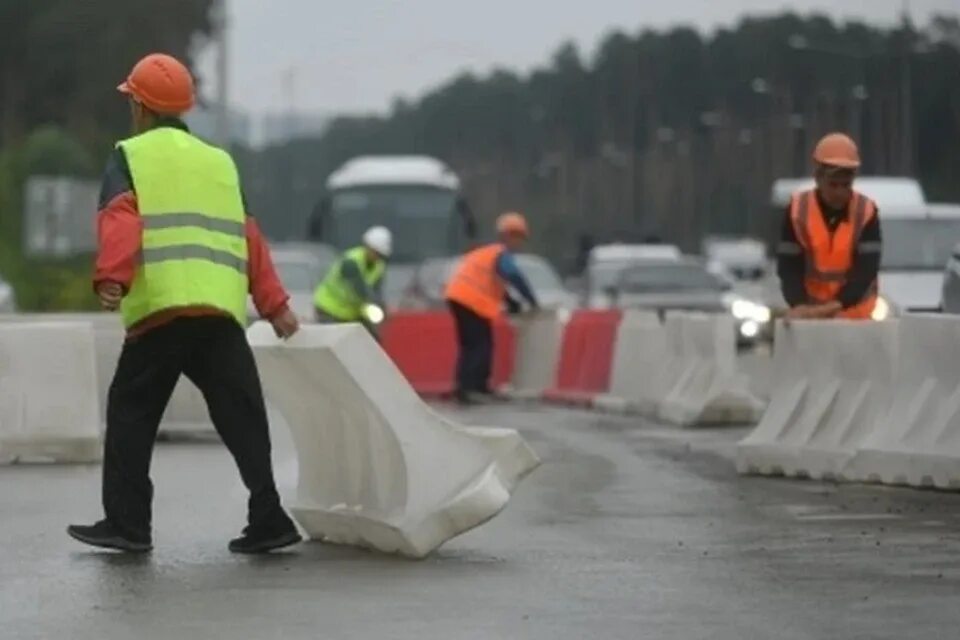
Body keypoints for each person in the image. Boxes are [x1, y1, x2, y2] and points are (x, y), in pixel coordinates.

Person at [67, 53, 302, 554]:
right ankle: (269, 516)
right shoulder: (220, 162)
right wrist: (275, 304)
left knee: (131, 412)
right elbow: (249, 236)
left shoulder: (130, 154)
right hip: (218, 313)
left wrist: (113, 277)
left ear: (140, 107)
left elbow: (120, 217)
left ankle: (128, 525)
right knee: (243, 415)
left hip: (163, 311)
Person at [777, 132, 882, 320]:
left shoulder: (866, 212)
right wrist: (800, 305)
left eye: (846, 185)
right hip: (809, 315)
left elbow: (866, 271)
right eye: (833, 185)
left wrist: (834, 307)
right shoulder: (797, 211)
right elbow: (789, 269)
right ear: (817, 177)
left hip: (856, 317)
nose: (840, 192)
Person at [444, 212, 539, 405]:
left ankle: (465, 387)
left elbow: (496, 284)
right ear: (510, 236)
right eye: (518, 238)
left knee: (470, 345)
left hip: (458, 297)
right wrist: (531, 300)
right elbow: (513, 275)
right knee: (481, 345)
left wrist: (512, 303)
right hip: (471, 302)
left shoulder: (487, 253)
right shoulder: (500, 253)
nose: (519, 243)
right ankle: (474, 388)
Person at [313, 226, 391, 336]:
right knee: (333, 341)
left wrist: (382, 307)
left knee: (371, 338)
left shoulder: (379, 267)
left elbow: (377, 291)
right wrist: (375, 303)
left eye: (380, 254)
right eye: (375, 252)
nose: (377, 256)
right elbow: (360, 290)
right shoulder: (351, 262)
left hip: (351, 312)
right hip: (329, 309)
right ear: (367, 247)